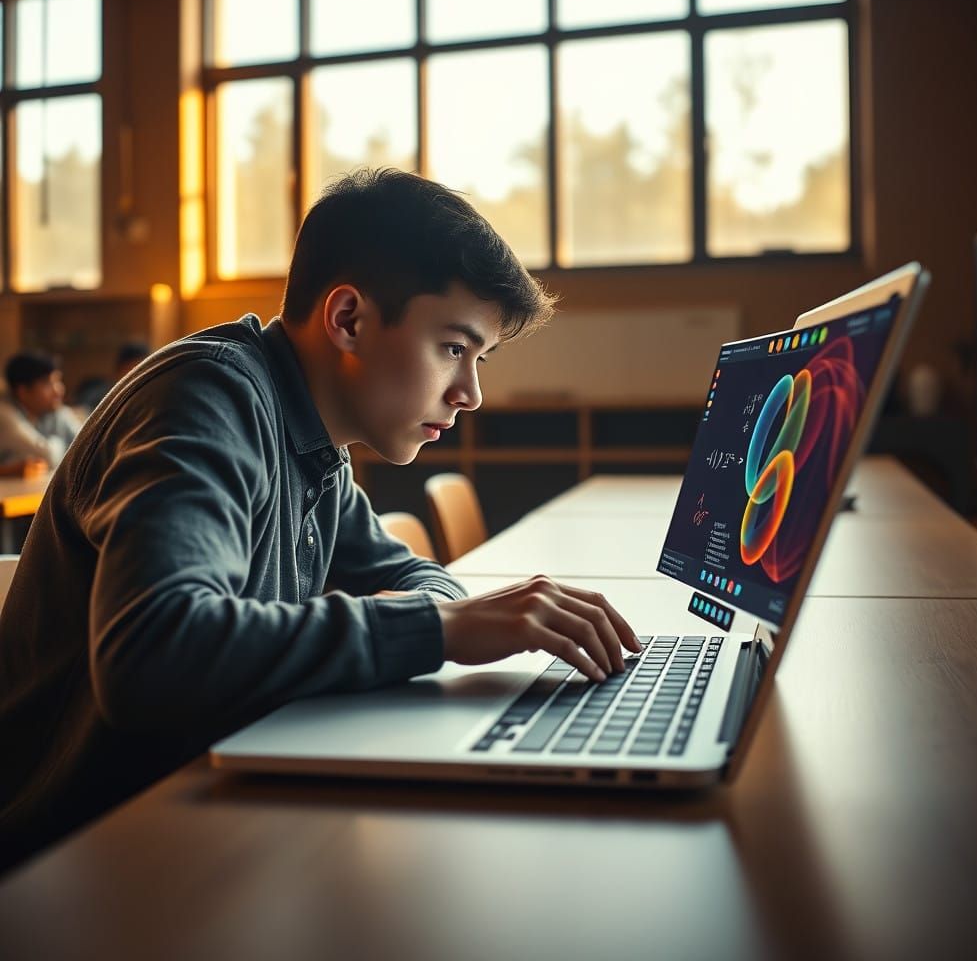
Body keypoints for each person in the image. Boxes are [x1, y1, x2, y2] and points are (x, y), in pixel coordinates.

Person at [0, 168, 642, 869]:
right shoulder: (206, 398)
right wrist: (439, 628)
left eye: (478, 358)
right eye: (454, 349)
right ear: (348, 319)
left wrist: (440, 615)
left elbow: (411, 575)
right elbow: (152, 652)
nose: (470, 394)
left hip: (188, 822)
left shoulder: (315, 443)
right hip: (66, 861)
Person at [0, 351, 82, 476]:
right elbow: (48, 456)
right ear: (23, 391)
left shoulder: (55, 411)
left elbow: (89, 446)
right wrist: (61, 443)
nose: (58, 390)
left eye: (58, 381)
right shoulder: (4, 414)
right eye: (48, 383)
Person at [73, 340, 152, 414]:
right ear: (118, 371)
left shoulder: (150, 398)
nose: (136, 378)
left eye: (142, 372)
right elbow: (80, 413)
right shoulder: (102, 396)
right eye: (131, 371)